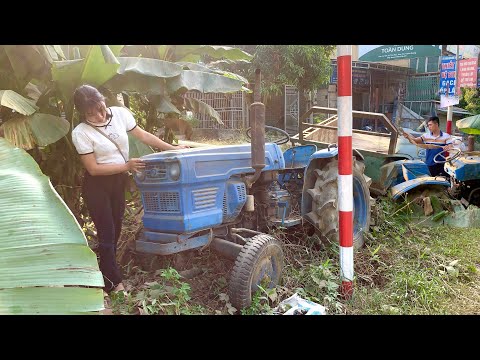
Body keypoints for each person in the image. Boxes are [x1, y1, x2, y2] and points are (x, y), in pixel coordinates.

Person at [71, 84, 189, 295]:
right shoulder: (81, 132)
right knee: (107, 232)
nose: (99, 115)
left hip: (119, 182)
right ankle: (113, 283)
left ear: (103, 99)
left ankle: (103, 272)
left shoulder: (119, 114)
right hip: (97, 186)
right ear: (82, 113)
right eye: (91, 113)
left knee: (115, 231)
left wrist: (173, 148)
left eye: (100, 107)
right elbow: (93, 169)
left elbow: (143, 136)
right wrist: (126, 166)